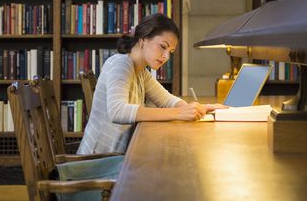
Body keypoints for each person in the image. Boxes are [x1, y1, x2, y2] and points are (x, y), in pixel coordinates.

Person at [77, 13, 225, 155]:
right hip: (97, 162)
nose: (166, 56)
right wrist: (180, 113)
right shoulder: (120, 64)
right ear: (142, 41)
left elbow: (167, 100)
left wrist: (200, 109)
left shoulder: (141, 72)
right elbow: (118, 111)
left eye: (170, 52)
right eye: (163, 46)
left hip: (117, 158)